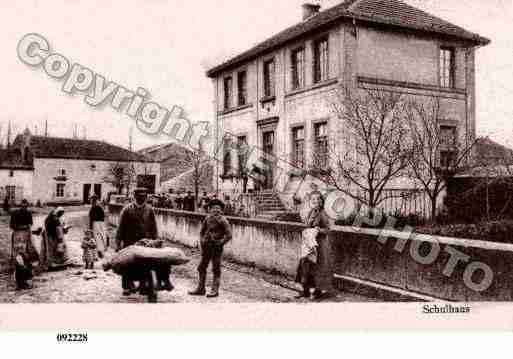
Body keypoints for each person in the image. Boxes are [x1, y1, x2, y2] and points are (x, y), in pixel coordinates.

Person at [115, 187, 170, 301]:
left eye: (144, 196)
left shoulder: (149, 210)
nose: (142, 198)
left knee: (145, 263)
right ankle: (126, 286)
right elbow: (120, 228)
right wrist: (118, 243)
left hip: (146, 242)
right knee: (127, 264)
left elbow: (154, 227)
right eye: (139, 196)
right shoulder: (127, 210)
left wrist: (156, 240)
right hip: (130, 242)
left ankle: (143, 285)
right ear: (135, 197)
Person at [189, 199, 232, 298]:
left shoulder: (223, 220)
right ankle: (201, 289)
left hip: (216, 248)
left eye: (218, 208)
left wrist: (220, 242)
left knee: (216, 268)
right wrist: (202, 242)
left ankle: (215, 290)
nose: (216, 210)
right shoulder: (207, 219)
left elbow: (229, 235)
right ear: (210, 209)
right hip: (206, 248)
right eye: (213, 208)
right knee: (201, 267)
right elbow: (201, 232)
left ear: (221, 210)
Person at [295, 191, 334, 300]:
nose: (316, 201)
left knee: (318, 268)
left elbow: (328, 230)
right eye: (313, 199)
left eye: (318, 199)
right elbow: (307, 225)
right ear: (310, 201)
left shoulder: (324, 213)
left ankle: (318, 292)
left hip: (320, 244)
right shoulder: (311, 212)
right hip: (309, 244)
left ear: (321, 201)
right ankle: (305, 290)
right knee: (305, 265)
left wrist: (319, 230)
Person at [9, 199, 37, 290]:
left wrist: (27, 228)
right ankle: (17, 268)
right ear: (20, 205)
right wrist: (21, 227)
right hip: (18, 234)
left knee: (27, 251)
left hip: (26, 234)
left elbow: (30, 224)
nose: (24, 207)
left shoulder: (28, 213)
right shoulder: (15, 213)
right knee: (18, 252)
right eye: (23, 206)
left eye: (26, 206)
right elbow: (12, 225)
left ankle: (26, 270)